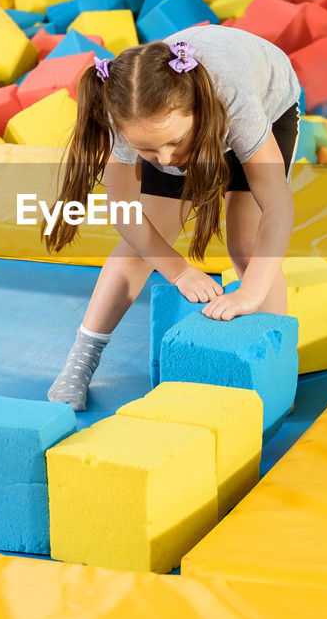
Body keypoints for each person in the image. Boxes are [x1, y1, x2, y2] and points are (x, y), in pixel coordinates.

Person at [42, 24, 302, 411]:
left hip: (269, 101)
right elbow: (123, 211)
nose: (165, 161)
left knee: (245, 242)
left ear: (195, 112)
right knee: (140, 246)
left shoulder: (233, 100)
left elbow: (277, 208)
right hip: (178, 116)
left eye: (174, 144)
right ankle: (80, 363)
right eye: (148, 149)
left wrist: (249, 293)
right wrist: (178, 270)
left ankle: (271, 367)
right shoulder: (129, 117)